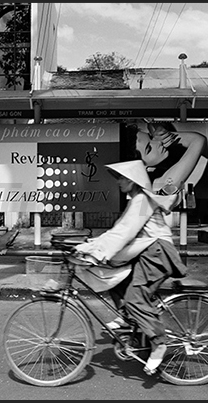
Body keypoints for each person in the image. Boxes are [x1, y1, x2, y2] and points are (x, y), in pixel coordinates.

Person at [73, 159, 188, 376]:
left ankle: (158, 343)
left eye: (122, 177)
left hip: (157, 253)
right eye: (118, 177)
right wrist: (92, 246)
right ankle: (130, 317)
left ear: (134, 180)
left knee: (135, 297)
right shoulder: (137, 200)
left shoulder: (143, 200)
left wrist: (96, 251)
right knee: (113, 278)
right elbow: (119, 231)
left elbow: (124, 233)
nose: (118, 181)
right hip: (147, 252)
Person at [125, 120, 208, 197]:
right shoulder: (159, 185)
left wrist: (158, 131)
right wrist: (167, 134)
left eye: (151, 138)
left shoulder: (156, 171)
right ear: (140, 167)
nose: (158, 142)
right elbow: (198, 140)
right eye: (149, 149)